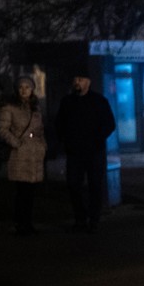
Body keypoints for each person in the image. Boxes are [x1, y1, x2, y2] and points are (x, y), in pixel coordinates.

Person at [56, 66, 117, 233]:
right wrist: (65, 140)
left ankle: (93, 218)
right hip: (74, 152)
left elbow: (109, 123)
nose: (77, 82)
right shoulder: (67, 102)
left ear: (88, 82)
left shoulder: (98, 101)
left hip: (94, 151)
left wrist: (97, 138)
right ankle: (80, 217)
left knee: (95, 186)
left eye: (81, 80)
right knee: (73, 185)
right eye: (75, 79)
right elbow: (59, 123)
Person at [0, 76, 47, 236]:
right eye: (21, 87)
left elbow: (40, 130)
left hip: (34, 153)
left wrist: (42, 146)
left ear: (32, 89)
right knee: (22, 191)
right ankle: (21, 223)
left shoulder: (35, 108)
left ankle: (28, 222)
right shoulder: (10, 107)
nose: (24, 90)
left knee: (31, 191)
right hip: (20, 153)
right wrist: (16, 143)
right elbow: (3, 129)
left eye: (27, 87)